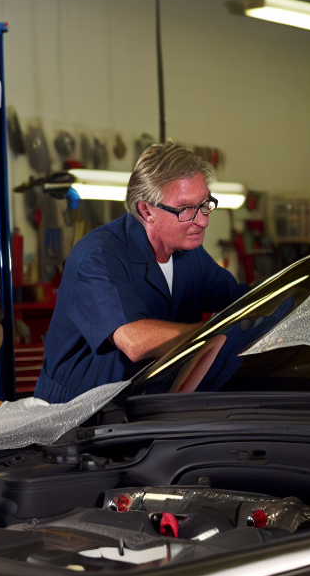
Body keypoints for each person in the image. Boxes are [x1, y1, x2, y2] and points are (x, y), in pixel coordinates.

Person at [35, 143, 248, 402]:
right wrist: (216, 333)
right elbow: (134, 341)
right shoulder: (97, 257)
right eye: (186, 209)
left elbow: (241, 302)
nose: (202, 220)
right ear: (146, 211)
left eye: (205, 204)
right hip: (76, 416)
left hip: (141, 406)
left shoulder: (190, 256)